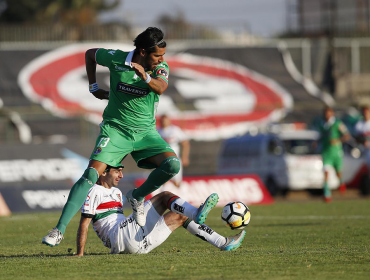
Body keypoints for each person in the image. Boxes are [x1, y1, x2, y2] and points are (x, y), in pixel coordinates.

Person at [43, 27, 182, 246]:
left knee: (173, 165)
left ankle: (137, 196)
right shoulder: (116, 58)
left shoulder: (158, 68)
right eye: (157, 56)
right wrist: (93, 85)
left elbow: (161, 87)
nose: (161, 60)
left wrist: (145, 76)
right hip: (115, 130)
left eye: (163, 56)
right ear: (143, 52)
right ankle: (58, 230)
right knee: (90, 174)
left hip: (146, 133)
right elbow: (90, 54)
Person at [73, 165, 245, 256]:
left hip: (136, 245)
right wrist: (80, 253)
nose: (121, 175)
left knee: (179, 216)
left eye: (121, 171)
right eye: (117, 171)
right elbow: (85, 223)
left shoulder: (116, 192)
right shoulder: (94, 190)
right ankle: (197, 212)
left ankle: (223, 243)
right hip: (119, 237)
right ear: (103, 173)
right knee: (163, 197)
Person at [316, 106, 350, 203]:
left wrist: (337, 140)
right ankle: (327, 194)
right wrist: (316, 142)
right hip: (326, 153)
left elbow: (347, 136)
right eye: (325, 113)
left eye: (329, 113)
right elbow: (321, 136)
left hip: (336, 152)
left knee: (338, 173)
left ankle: (341, 182)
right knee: (326, 173)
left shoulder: (337, 124)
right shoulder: (322, 125)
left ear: (332, 114)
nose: (327, 115)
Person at [158, 115, 190, 187]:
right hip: (162, 161)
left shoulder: (175, 130)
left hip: (174, 159)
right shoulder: (158, 131)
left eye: (165, 120)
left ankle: (179, 194)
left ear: (169, 121)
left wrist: (185, 157)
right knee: (162, 182)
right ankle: (165, 195)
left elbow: (185, 143)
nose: (163, 122)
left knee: (176, 182)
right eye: (162, 120)